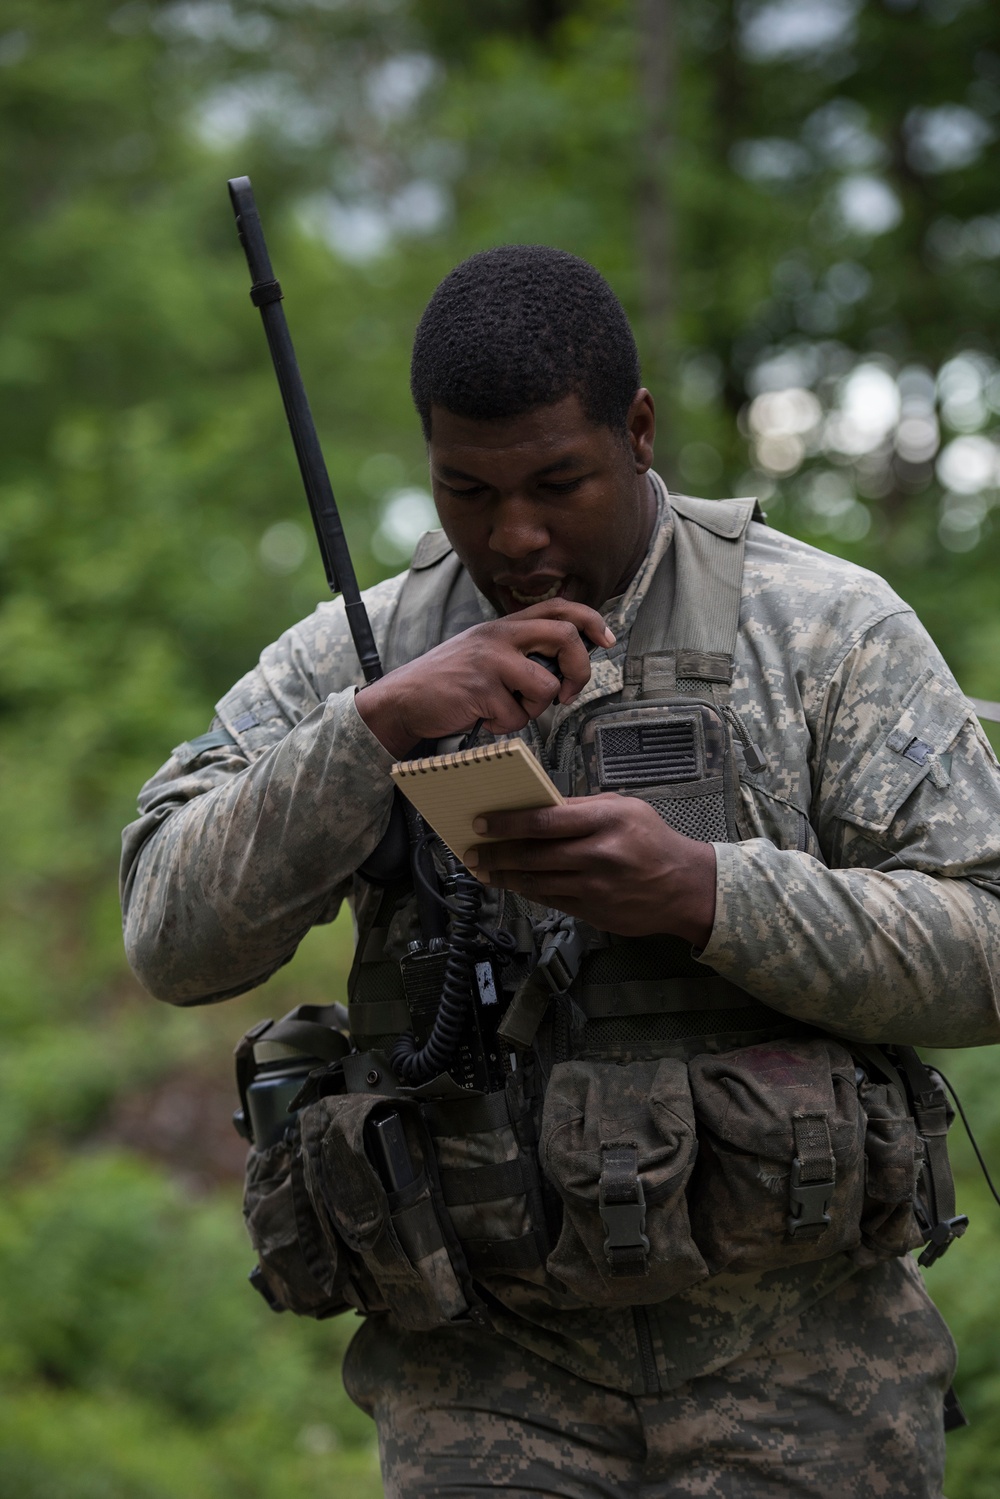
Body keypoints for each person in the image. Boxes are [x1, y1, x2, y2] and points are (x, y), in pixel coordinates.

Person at [121, 245, 1000, 1498]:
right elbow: (171, 938)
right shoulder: (360, 655)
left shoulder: (820, 628)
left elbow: (990, 934)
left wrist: (707, 895)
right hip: (484, 1387)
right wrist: (363, 736)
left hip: (802, 1380)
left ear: (638, 430)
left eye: (556, 482)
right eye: (466, 491)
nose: (514, 535)